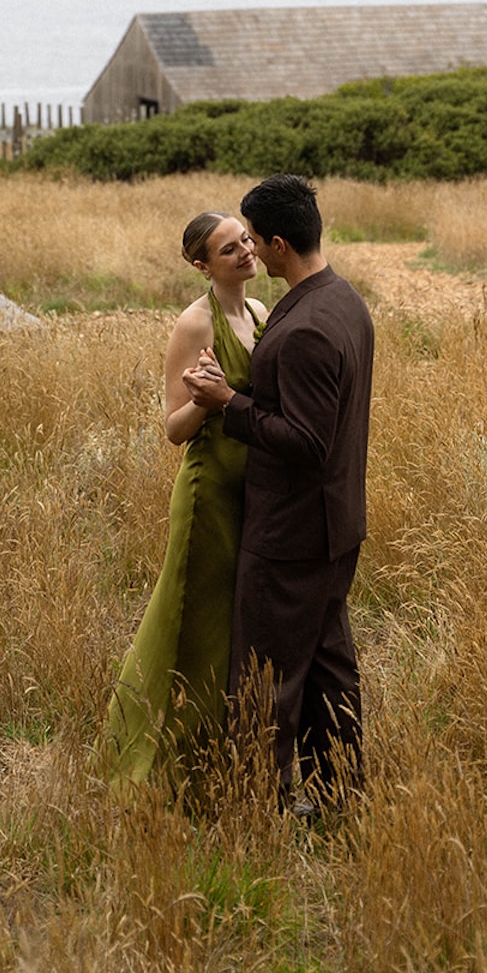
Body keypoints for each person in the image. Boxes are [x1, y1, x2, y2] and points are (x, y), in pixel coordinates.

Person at [184, 174, 374, 809]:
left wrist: (229, 403)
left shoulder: (304, 330)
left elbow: (307, 443)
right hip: (335, 525)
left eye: (256, 243)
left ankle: (257, 804)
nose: (252, 255)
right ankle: (338, 791)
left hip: (292, 534)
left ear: (279, 242)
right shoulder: (343, 300)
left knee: (265, 676)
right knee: (326, 668)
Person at [105, 211, 267, 785]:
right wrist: (207, 398)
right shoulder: (195, 325)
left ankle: (220, 753)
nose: (246, 251)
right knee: (186, 622)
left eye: (246, 239)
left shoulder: (258, 313)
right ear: (202, 266)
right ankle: (150, 757)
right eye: (229, 250)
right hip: (209, 494)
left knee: (230, 625)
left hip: (254, 494)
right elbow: (174, 429)